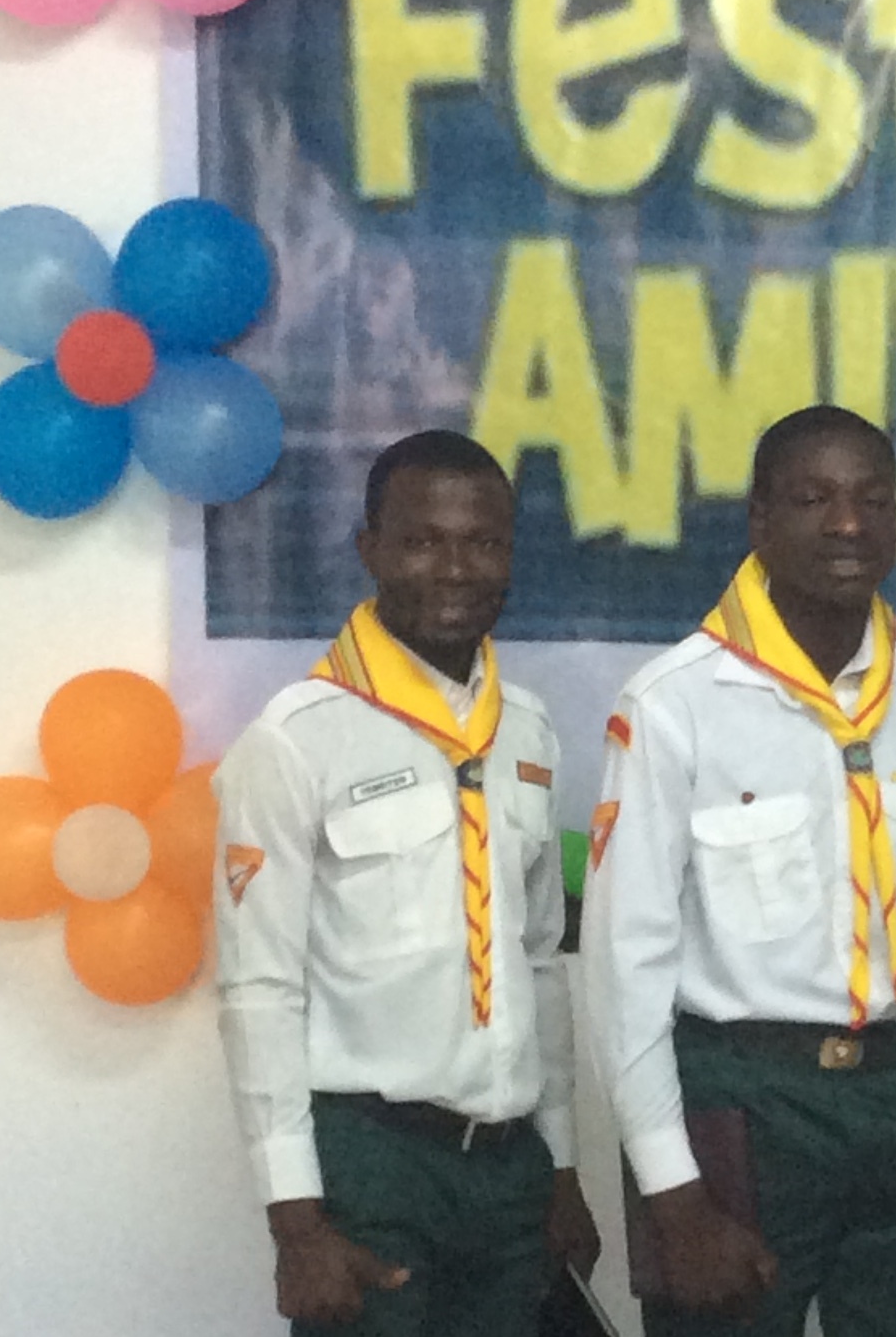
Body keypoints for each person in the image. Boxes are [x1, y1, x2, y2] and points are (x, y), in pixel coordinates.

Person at [584, 405, 896, 1337]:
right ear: (759, 520)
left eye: (873, 498)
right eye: (814, 498)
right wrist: (672, 1191)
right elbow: (626, 963)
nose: (848, 524)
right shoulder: (675, 702)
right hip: (744, 1101)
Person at [213, 429, 601, 1336]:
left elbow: (539, 962)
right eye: (423, 541)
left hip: (508, 1168)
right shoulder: (296, 739)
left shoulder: (528, 732)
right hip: (371, 1163)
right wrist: (296, 1222)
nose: (456, 569)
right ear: (371, 549)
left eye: (483, 542)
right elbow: (258, 987)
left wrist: (561, 1165)